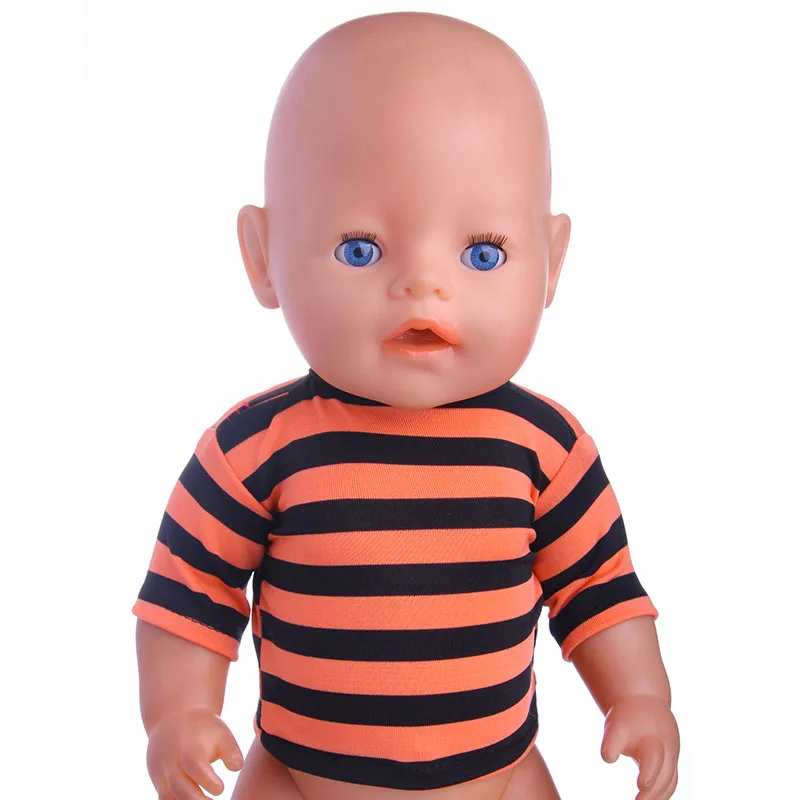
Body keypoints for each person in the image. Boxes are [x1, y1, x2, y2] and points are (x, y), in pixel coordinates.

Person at [134, 12, 679, 800]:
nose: (424, 284)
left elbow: (599, 588)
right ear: (263, 256)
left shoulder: (547, 451)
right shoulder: (254, 449)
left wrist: (640, 696)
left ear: (552, 263)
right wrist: (178, 714)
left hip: (499, 779)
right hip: (300, 780)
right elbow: (190, 594)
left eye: (483, 253)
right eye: (360, 249)